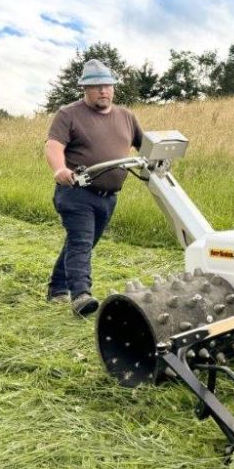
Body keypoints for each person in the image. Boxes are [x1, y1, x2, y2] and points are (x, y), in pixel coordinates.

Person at [45, 59, 143, 317]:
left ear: (113, 88)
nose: (103, 90)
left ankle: (56, 289)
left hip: (108, 197)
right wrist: (59, 169)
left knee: (82, 244)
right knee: (81, 241)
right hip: (76, 192)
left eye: (107, 85)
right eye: (97, 86)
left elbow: (145, 146)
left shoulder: (126, 117)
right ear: (85, 89)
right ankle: (81, 296)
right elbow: (53, 145)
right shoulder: (69, 114)